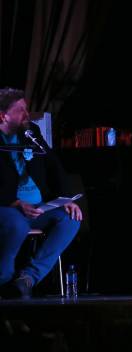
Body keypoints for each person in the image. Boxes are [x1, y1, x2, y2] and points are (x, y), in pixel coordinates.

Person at [0, 87, 81, 298]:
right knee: (16, 225)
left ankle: (27, 278)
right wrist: (16, 204)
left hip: (38, 208)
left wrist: (66, 199)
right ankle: (4, 279)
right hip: (8, 207)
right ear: (3, 115)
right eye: (21, 110)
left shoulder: (31, 133)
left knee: (70, 219)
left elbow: (53, 165)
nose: (27, 115)